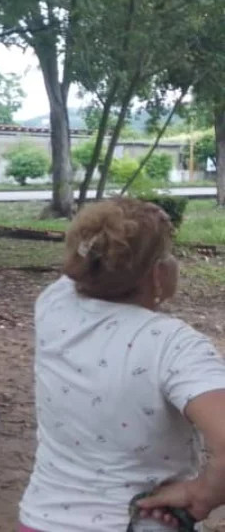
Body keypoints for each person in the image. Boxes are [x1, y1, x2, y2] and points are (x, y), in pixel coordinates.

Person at [19, 198, 225, 532]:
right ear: (158, 274)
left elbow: (82, 267)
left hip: (41, 520)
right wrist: (200, 494)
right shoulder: (173, 346)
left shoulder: (53, 306)